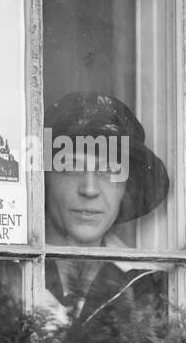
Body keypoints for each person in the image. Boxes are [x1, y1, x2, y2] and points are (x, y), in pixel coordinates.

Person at [42, 91, 170, 328]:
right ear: (45, 179)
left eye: (110, 170)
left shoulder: (145, 283)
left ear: (126, 187)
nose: (90, 189)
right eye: (71, 166)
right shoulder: (6, 272)